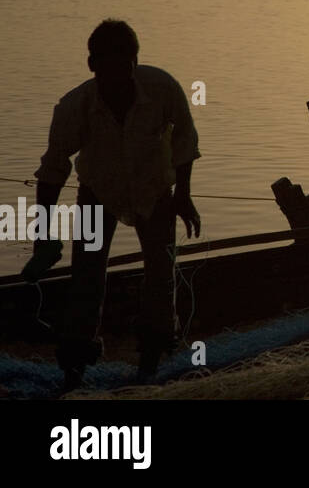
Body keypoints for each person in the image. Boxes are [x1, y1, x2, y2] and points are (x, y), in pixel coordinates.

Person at [26, 19, 202, 389]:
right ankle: (74, 366)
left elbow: (185, 139)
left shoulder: (163, 88)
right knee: (86, 277)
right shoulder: (74, 107)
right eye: (110, 68)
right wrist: (43, 232)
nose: (120, 78)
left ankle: (151, 361)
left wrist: (183, 194)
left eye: (128, 66)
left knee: (160, 274)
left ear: (136, 62)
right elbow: (53, 170)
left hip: (154, 190)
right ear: (92, 66)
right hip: (97, 192)